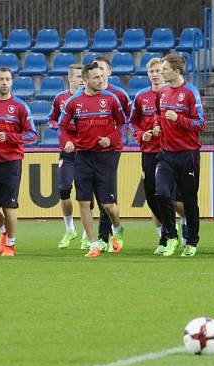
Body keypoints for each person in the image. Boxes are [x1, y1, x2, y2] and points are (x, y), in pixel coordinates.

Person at [60, 62, 126, 257]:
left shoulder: (111, 99)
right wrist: (67, 142)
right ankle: (93, 244)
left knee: (108, 205)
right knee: (83, 202)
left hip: (106, 156)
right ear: (86, 80)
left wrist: (111, 139)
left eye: (102, 76)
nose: (101, 80)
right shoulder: (74, 102)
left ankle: (118, 228)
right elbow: (62, 127)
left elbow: (123, 123)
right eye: (96, 77)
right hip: (83, 156)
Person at [0, 67, 38, 257]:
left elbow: (32, 134)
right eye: (1, 79)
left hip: (12, 162)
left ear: (12, 82)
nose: (4, 82)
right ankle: (4, 231)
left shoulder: (20, 106)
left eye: (7, 79)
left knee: (9, 206)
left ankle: (10, 245)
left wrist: (10, 137)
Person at [154, 53, 206, 256]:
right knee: (161, 193)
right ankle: (172, 237)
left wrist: (178, 119)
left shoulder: (191, 92)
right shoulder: (163, 92)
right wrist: (158, 126)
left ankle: (192, 241)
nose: (161, 72)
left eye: (164, 69)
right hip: (166, 154)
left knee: (189, 200)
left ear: (176, 71)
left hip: (188, 154)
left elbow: (201, 124)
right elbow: (159, 116)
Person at [131, 58, 169, 254]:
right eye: (151, 71)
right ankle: (164, 235)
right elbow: (133, 122)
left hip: (169, 151)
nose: (155, 74)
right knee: (152, 196)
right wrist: (140, 135)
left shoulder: (171, 94)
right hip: (148, 152)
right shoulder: (141, 96)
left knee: (169, 195)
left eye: (158, 71)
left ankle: (174, 231)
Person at [93, 56, 132, 246]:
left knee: (105, 191)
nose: (98, 72)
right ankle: (110, 232)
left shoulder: (119, 95)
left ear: (109, 72)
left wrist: (113, 138)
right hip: (89, 149)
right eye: (95, 69)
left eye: (101, 68)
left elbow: (127, 122)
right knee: (96, 191)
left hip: (111, 149)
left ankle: (103, 237)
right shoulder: (86, 94)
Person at [48, 64, 85, 249]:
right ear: (69, 78)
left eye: (83, 76)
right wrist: (60, 127)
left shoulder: (88, 98)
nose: (81, 79)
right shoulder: (61, 99)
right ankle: (70, 229)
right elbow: (52, 120)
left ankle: (87, 233)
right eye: (78, 76)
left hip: (86, 151)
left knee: (86, 194)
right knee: (63, 189)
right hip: (67, 152)